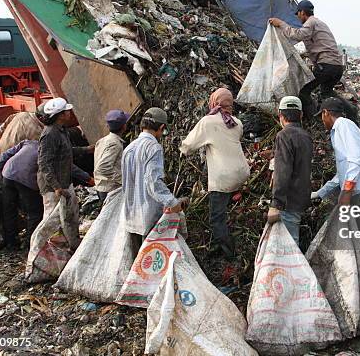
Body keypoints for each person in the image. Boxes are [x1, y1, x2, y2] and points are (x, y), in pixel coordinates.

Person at [180, 89, 250, 257]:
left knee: (216, 218)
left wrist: (182, 150)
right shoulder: (237, 123)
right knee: (223, 210)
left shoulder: (208, 122)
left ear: (214, 102)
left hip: (224, 178)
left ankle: (229, 254)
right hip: (242, 172)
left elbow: (188, 146)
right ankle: (221, 242)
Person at [0, 138, 92, 250]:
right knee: (35, 213)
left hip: (8, 173)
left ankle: (11, 243)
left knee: (9, 209)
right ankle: (30, 244)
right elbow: (70, 167)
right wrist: (89, 179)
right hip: (26, 179)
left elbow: (5, 155)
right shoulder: (50, 152)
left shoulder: (28, 142)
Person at [122, 108, 187, 244]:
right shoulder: (153, 147)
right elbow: (153, 182)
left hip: (130, 216)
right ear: (161, 127)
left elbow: (126, 182)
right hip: (148, 217)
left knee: (136, 261)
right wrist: (172, 202)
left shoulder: (129, 148)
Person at [269, 0, 344, 117]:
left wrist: (280, 24)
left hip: (326, 66)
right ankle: (350, 112)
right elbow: (315, 46)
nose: (298, 17)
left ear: (302, 12)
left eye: (298, 14)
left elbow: (298, 34)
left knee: (304, 92)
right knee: (326, 92)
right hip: (337, 66)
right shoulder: (320, 23)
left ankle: (313, 117)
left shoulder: (310, 22)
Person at [37, 97, 94, 251]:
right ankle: (46, 252)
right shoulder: (49, 135)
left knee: (70, 216)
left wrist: (87, 149)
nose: (70, 113)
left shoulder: (61, 130)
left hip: (64, 182)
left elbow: (67, 152)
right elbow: (44, 164)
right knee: (51, 222)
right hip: (52, 187)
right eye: (67, 111)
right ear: (60, 115)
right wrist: (55, 186)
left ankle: (73, 246)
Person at [311, 97, 360, 205]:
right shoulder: (338, 130)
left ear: (325, 113)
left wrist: (346, 192)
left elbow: (356, 160)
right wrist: (320, 193)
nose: (322, 121)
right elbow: (342, 174)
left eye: (321, 116)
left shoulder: (343, 125)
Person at [266, 96, 313, 245]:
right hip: (302, 197)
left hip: (289, 200)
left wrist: (276, 204)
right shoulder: (306, 136)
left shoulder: (283, 136)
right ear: (300, 115)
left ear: (280, 115)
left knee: (290, 245)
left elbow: (283, 171)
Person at [94, 110, 129, 203]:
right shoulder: (115, 144)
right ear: (124, 127)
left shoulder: (102, 141)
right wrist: (123, 179)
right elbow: (102, 168)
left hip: (102, 187)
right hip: (110, 189)